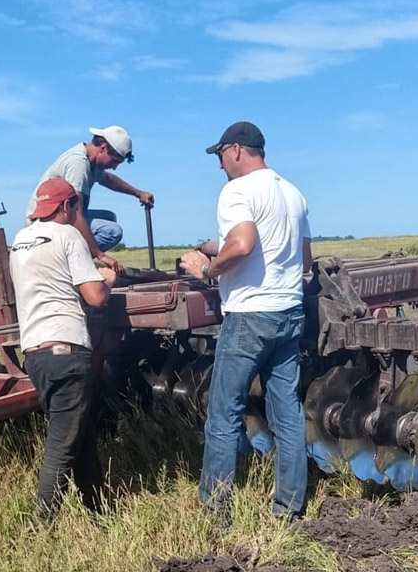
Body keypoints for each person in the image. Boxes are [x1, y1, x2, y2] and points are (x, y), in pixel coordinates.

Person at [180, 121, 312, 521]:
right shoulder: (293, 193)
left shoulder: (236, 190)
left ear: (236, 150)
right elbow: (303, 260)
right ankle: (288, 510)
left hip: (249, 315)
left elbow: (242, 244)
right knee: (287, 415)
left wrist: (207, 269)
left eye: (220, 155)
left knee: (223, 414)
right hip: (289, 312)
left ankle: (214, 512)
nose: (219, 165)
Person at [11, 178, 117, 519]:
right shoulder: (68, 235)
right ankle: (40, 525)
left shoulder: (21, 239)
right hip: (67, 350)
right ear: (66, 207)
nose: (78, 213)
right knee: (61, 445)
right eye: (76, 207)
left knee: (79, 434)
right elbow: (95, 297)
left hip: (37, 355)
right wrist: (109, 279)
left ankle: (97, 512)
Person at [24, 126, 155, 272]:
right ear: (104, 148)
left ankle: (74, 256)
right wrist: (100, 255)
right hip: (45, 221)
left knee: (109, 217)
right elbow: (76, 212)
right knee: (113, 231)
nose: (114, 167)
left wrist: (138, 193)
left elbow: (108, 179)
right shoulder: (78, 165)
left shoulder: (91, 161)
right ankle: (64, 259)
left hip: (63, 215)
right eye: (115, 161)